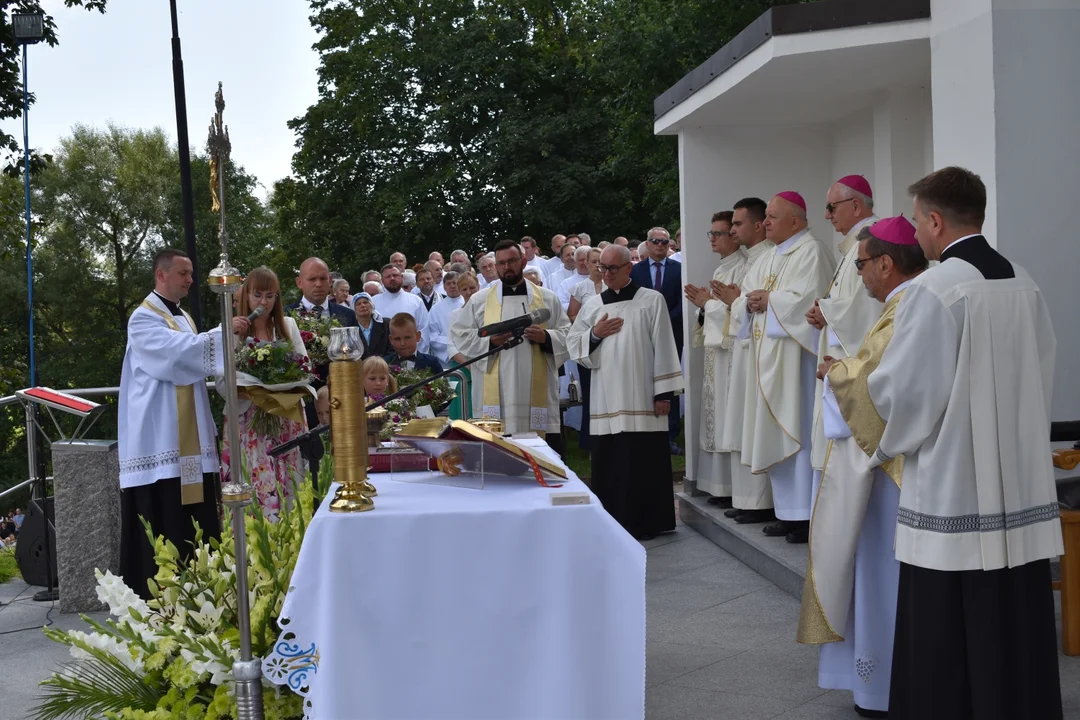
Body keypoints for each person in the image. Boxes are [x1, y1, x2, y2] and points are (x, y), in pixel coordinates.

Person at [860, 168, 1063, 720]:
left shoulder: (935, 288)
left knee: (945, 631)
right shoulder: (1023, 280)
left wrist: (876, 417)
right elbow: (1041, 374)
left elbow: (908, 392)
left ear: (934, 220)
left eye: (919, 222)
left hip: (953, 488)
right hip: (1018, 485)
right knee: (1013, 615)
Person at [797, 216, 927, 718]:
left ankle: (882, 686)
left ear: (886, 264)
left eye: (862, 264)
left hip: (888, 471)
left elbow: (879, 382)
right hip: (890, 465)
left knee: (879, 573)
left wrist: (836, 373)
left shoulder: (907, 308)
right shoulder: (903, 304)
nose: (860, 273)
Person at [118, 249, 223, 599]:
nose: (190, 280)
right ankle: (162, 595)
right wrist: (222, 335)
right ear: (161, 275)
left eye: (191, 273)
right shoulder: (143, 318)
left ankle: (204, 590)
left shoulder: (185, 318)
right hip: (160, 437)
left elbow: (192, 354)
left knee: (194, 518)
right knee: (165, 516)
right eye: (184, 273)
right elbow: (175, 356)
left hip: (189, 436)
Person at [731, 192, 833, 543]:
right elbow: (744, 297)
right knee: (778, 433)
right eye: (767, 217)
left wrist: (769, 300)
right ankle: (787, 512)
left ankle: (805, 515)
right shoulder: (768, 257)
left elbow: (812, 299)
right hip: (768, 358)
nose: (767, 223)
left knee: (798, 430)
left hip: (797, 363)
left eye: (773, 217)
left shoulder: (812, 251)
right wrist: (749, 303)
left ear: (795, 219)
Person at [567, 245, 683, 540]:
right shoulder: (593, 306)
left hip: (644, 397)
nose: (606, 274)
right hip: (606, 398)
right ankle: (613, 519)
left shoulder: (651, 300)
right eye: (602, 269)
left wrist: (664, 394)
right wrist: (595, 334)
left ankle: (649, 521)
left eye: (612, 269)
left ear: (628, 268)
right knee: (612, 461)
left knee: (644, 461)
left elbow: (665, 347)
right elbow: (574, 342)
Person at [451, 240, 570, 455]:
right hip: (496, 390)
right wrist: (489, 342)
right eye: (502, 263)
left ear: (523, 261)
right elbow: (460, 334)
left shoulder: (547, 299)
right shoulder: (480, 301)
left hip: (535, 389)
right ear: (496, 266)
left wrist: (546, 337)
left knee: (542, 453)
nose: (507, 267)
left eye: (512, 261)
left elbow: (567, 334)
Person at [807, 175, 881, 509]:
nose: (827, 215)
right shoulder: (853, 243)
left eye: (831, 207)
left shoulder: (872, 239)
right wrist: (826, 310)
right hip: (839, 360)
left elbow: (872, 303)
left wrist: (828, 312)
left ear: (855, 205)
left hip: (855, 364)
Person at [223, 267, 310, 521]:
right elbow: (220, 381)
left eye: (270, 296)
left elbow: (303, 368)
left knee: (289, 479)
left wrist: (278, 385)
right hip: (247, 418)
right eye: (258, 294)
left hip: (283, 415)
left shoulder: (287, 325)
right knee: (254, 478)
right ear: (246, 295)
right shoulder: (231, 329)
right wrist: (253, 390)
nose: (264, 302)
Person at [716, 198, 776, 523]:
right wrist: (733, 302)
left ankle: (758, 501)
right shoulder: (752, 259)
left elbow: (754, 303)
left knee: (753, 424)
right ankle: (746, 500)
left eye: (738, 224)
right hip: (744, 349)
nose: (733, 229)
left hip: (757, 353)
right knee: (743, 423)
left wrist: (734, 301)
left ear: (758, 223)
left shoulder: (768, 257)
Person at [684, 211, 746, 508]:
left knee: (726, 416)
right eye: (711, 233)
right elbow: (719, 309)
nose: (712, 238)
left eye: (717, 233)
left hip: (730, 356)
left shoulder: (744, 267)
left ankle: (730, 487)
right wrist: (704, 306)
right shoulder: (723, 268)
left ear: (734, 236)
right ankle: (716, 485)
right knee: (715, 415)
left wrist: (707, 303)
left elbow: (738, 310)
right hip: (716, 354)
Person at [630, 227, 684, 455]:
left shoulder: (680, 269)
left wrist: (663, 320)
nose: (660, 245)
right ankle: (645, 431)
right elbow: (631, 299)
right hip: (642, 334)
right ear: (648, 244)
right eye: (656, 241)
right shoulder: (636, 270)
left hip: (672, 331)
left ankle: (669, 435)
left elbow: (683, 299)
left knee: (669, 382)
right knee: (643, 379)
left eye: (664, 241)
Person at [567, 247, 604, 450]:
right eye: (594, 261)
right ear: (587, 264)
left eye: (601, 261)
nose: (598, 266)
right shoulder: (580, 288)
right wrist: (591, 326)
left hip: (610, 342)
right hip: (588, 344)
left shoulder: (611, 285)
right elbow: (572, 315)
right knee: (590, 391)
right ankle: (589, 441)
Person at [371, 264, 430, 352]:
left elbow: (424, 330)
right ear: (382, 281)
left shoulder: (416, 301)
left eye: (395, 275)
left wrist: (416, 354)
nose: (392, 279)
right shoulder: (373, 302)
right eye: (388, 277)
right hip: (383, 355)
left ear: (401, 277)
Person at [425, 271, 465, 367]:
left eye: (455, 283)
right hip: (448, 360)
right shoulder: (436, 309)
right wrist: (454, 348)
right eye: (448, 283)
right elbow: (433, 336)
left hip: (470, 353)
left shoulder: (468, 302)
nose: (452, 286)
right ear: (444, 287)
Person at [352, 292, 390, 358]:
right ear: (353, 309)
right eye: (358, 304)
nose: (363, 305)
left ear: (372, 305)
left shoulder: (385, 324)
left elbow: (392, 349)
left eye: (365, 302)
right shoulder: (350, 329)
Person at [556, 246, 592, 311]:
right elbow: (560, 304)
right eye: (581, 260)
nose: (584, 263)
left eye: (587, 260)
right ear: (575, 261)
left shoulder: (601, 280)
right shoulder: (566, 283)